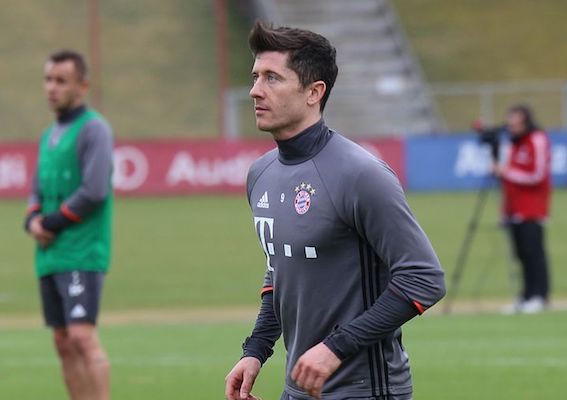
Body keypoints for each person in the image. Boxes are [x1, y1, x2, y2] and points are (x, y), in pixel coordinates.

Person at [225, 22, 446, 400]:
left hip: (365, 391)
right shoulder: (261, 173)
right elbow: (280, 269)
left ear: (314, 92)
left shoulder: (361, 174)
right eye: (255, 77)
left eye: (272, 78)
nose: (255, 90)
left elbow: (423, 279)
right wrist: (256, 350)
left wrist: (335, 348)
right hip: (298, 390)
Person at [24, 50, 113, 400]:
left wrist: (49, 223)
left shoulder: (94, 129)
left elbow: (94, 190)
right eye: (48, 79)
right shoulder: (48, 135)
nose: (51, 87)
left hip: (81, 251)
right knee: (62, 340)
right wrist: (32, 220)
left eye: (61, 81)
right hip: (50, 254)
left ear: (82, 86)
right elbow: (36, 190)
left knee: (81, 337)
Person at [493, 105, 552, 314]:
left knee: (533, 252)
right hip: (513, 209)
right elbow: (507, 181)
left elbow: (538, 174)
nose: (512, 127)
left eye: (516, 123)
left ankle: (539, 296)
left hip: (532, 208)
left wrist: (506, 172)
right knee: (520, 254)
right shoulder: (512, 143)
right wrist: (504, 210)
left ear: (525, 122)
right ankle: (526, 295)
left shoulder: (536, 139)